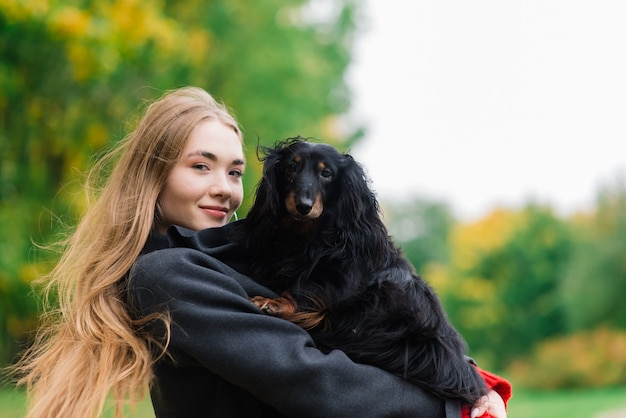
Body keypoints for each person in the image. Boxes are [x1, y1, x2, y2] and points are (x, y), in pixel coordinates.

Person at [12, 86, 510, 417]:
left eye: (233, 172)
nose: (224, 190)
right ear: (154, 175)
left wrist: (467, 377)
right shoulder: (165, 275)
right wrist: (455, 407)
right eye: (200, 167)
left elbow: (377, 311)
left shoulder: (245, 259)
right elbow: (312, 380)